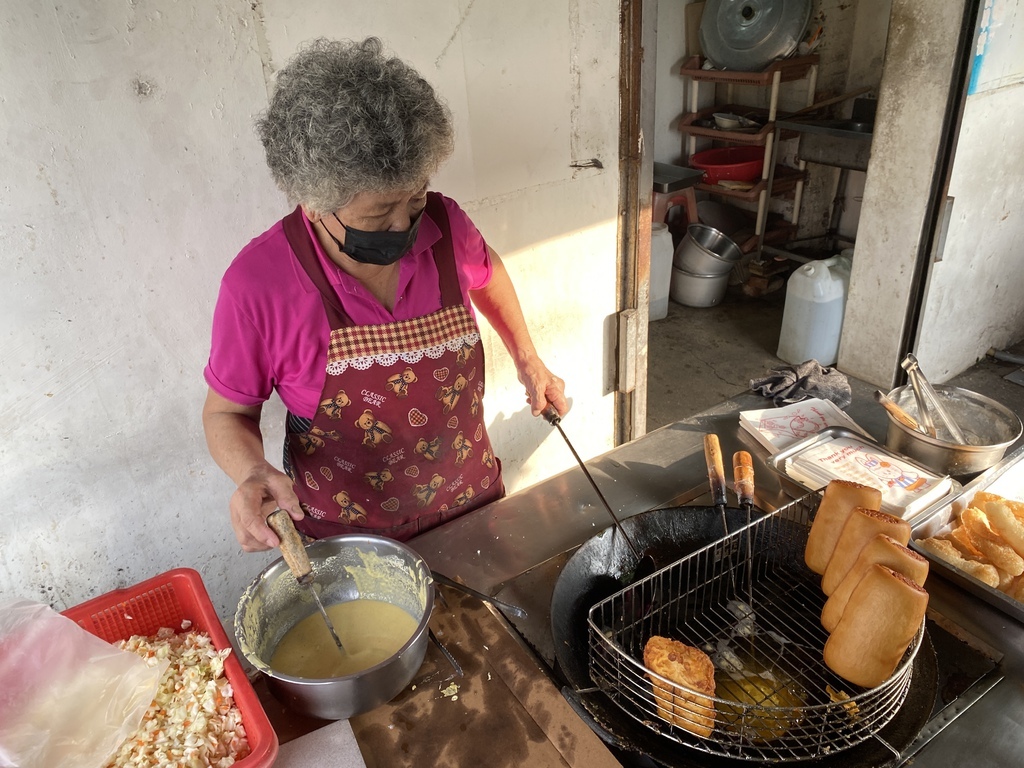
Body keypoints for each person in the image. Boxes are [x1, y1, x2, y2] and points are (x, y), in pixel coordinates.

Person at [202, 37, 567, 552]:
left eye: (413, 198)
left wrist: (528, 358)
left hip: (470, 507)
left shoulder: (446, 223)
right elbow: (226, 414)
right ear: (313, 202)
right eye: (378, 215)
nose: (404, 226)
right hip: (347, 539)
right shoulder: (258, 285)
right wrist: (251, 472)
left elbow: (488, 274)